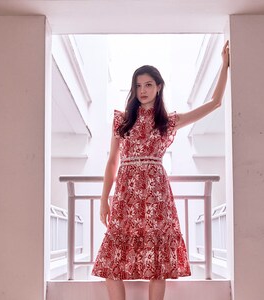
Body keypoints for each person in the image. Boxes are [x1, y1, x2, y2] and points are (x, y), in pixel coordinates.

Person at [92, 40, 230, 300]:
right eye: (138, 85)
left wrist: (224, 65)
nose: (142, 90)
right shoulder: (122, 120)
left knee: (158, 267)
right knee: (111, 264)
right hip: (126, 195)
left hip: (156, 196)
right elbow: (112, 161)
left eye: (148, 84)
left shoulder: (167, 122)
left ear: (158, 87)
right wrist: (104, 199)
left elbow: (215, 103)